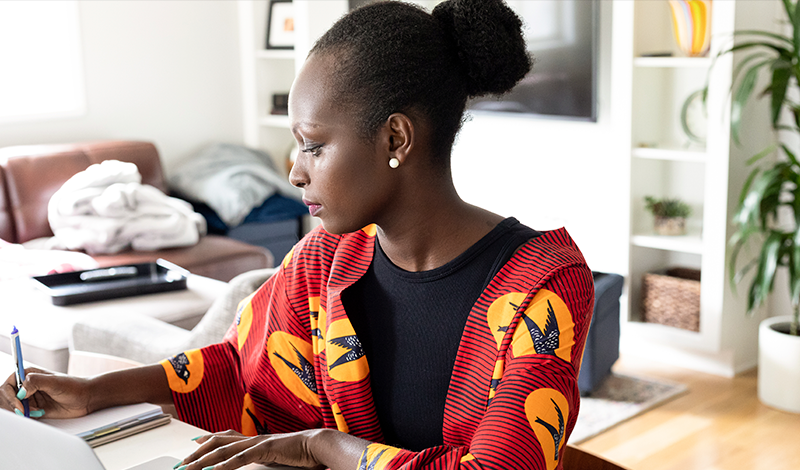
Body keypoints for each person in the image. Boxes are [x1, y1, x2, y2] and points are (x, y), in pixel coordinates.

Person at [1, 1, 594, 469]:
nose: (295, 172)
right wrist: (94, 392)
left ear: (395, 138)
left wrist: (324, 446)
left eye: (313, 145)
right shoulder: (324, 261)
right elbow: (236, 366)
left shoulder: (544, 286)